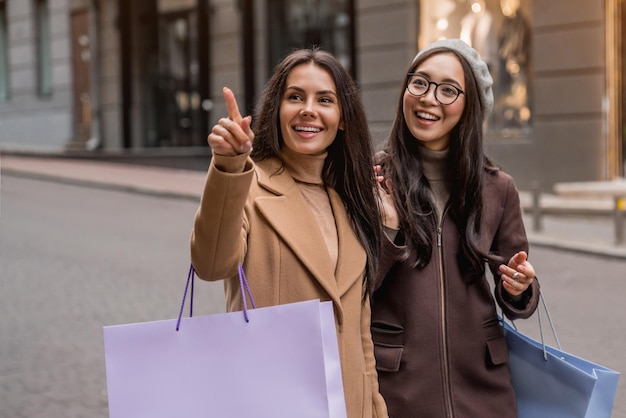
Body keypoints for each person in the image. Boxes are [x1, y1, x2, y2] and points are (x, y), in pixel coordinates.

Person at [190, 48, 388, 418]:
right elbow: (211, 264)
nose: (308, 109)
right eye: (295, 97)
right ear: (276, 111)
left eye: (324, 100)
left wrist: (374, 408)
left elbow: (362, 338)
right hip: (271, 402)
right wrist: (229, 166)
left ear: (342, 118)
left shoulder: (351, 199)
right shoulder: (248, 185)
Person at [370, 38, 540, 418]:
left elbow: (518, 294)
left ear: (468, 107)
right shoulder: (374, 178)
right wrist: (389, 229)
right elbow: (354, 284)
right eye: (420, 83)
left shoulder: (497, 187)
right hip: (398, 388)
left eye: (448, 90)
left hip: (483, 387)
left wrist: (520, 288)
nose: (429, 98)